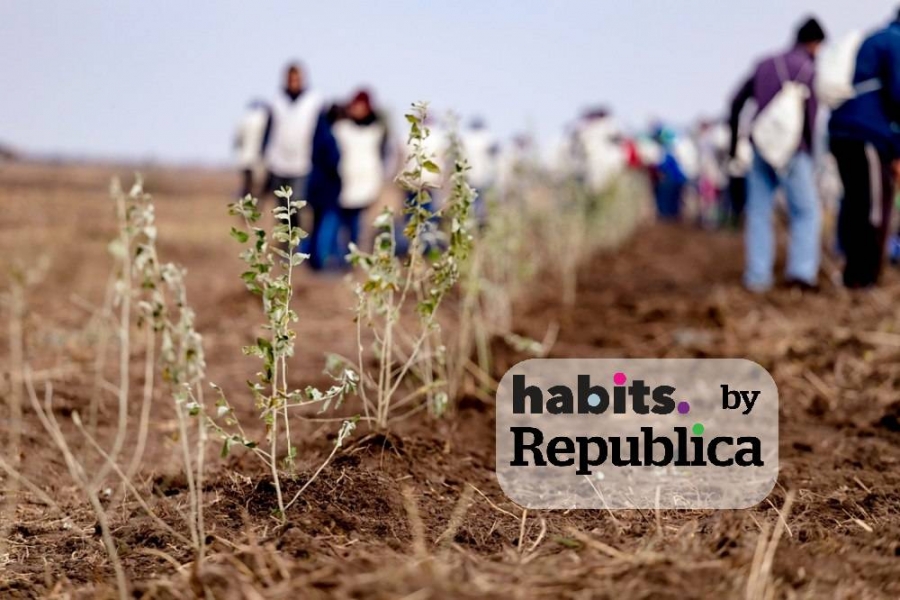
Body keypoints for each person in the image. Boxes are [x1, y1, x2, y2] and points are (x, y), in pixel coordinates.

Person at [729, 17, 827, 292]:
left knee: (759, 212)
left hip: (761, 146)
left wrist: (735, 148)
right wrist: (807, 151)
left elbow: (736, 102)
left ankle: (758, 277)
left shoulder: (764, 64)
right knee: (806, 212)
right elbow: (810, 119)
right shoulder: (808, 70)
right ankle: (801, 273)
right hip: (794, 152)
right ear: (815, 43)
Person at [828, 9, 900, 289]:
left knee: (856, 202)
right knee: (873, 207)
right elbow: (898, 95)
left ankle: (853, 273)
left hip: (844, 130)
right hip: (866, 133)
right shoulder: (894, 40)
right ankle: (863, 277)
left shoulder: (874, 39)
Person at [261, 63, 324, 233]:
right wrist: (264, 153)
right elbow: (269, 129)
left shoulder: (314, 101)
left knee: (297, 203)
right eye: (291, 79)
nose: (293, 82)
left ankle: (298, 241)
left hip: (302, 162)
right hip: (278, 162)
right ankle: (287, 242)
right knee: (282, 207)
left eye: (297, 79)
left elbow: (321, 132)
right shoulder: (277, 100)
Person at [328, 90, 389, 263]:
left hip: (366, 182)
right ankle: (337, 258)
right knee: (338, 223)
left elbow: (382, 155)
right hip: (343, 182)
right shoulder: (341, 129)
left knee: (356, 223)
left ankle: (352, 258)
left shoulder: (376, 130)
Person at [461, 117, 500, 223]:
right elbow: (496, 153)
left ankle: (472, 221)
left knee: (470, 201)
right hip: (483, 176)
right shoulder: (487, 137)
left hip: (469, 176)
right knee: (481, 202)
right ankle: (479, 222)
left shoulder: (466, 138)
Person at [234, 100, 269, 198]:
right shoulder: (265, 121)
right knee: (259, 188)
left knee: (247, 186)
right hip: (260, 160)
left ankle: (247, 208)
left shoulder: (243, 120)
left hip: (246, 158)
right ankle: (255, 207)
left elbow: (237, 140)